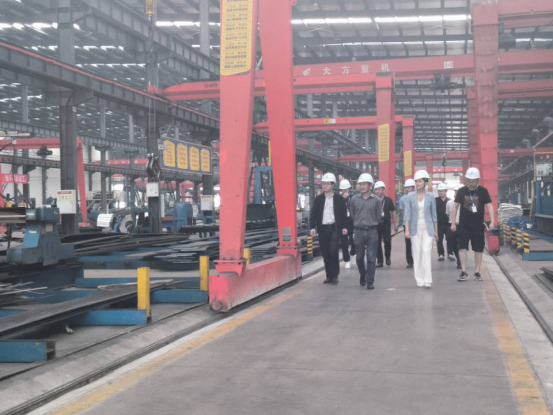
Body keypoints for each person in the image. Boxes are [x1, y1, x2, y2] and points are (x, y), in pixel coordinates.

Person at [450, 168, 495, 282]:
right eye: (469, 181)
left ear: (478, 180)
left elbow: (490, 206)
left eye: (474, 181)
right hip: (464, 225)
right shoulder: (461, 191)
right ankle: (464, 272)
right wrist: (453, 222)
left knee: (478, 249)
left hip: (478, 225)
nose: (471, 183)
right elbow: (455, 207)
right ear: (466, 180)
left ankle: (477, 272)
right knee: (462, 247)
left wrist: (492, 221)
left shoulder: (483, 191)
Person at [310, 173, 348, 285]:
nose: (324, 185)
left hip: (334, 229)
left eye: (327, 183)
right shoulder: (319, 199)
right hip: (323, 229)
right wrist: (312, 226)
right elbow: (314, 213)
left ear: (333, 185)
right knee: (325, 252)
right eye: (323, 183)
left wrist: (344, 226)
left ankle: (335, 275)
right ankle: (329, 275)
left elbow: (344, 214)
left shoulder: (339, 199)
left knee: (333, 251)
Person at [404, 170, 438, 288]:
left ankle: (428, 279)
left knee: (426, 251)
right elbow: (407, 214)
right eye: (416, 181)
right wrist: (407, 230)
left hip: (428, 228)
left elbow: (434, 215)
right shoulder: (410, 196)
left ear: (425, 182)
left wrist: (436, 231)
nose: (417, 183)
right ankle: (419, 278)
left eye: (420, 181)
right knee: (417, 253)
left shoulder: (431, 196)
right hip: (415, 229)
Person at [350, 173, 381, 290]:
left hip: (372, 231)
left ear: (370, 185)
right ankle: (363, 275)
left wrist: (370, 223)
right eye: (360, 184)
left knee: (371, 258)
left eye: (364, 184)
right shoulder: (354, 200)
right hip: (358, 232)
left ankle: (370, 281)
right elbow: (352, 215)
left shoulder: (377, 200)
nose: (362, 186)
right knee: (359, 258)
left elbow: (378, 216)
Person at [373, 181, 397, 267]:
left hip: (386, 223)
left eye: (379, 189)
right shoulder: (373, 200)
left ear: (383, 190)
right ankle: (380, 261)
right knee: (377, 242)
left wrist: (395, 224)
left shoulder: (388, 200)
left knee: (387, 241)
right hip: (376, 224)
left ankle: (387, 257)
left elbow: (393, 212)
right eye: (376, 189)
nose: (377, 191)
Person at [398, 179, 415, 268]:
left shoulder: (418, 197)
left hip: (416, 223)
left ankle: (418, 260)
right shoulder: (403, 199)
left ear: (413, 187)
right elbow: (403, 211)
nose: (407, 189)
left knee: (417, 243)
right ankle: (410, 261)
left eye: (409, 187)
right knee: (408, 243)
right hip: (407, 224)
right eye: (406, 187)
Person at [339, 179, 355, 268]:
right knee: (344, 243)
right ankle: (347, 260)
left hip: (352, 222)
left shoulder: (353, 198)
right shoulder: (338, 199)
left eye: (346, 189)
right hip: (343, 223)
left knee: (354, 241)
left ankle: (353, 252)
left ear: (349, 189)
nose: (345, 191)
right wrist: (343, 199)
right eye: (343, 189)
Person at [446, 184, 462, 269]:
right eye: (456, 191)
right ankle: (458, 259)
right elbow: (448, 214)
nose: (457, 193)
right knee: (454, 244)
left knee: (461, 244)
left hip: (463, 226)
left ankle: (460, 261)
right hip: (453, 225)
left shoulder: (469, 202)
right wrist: (452, 223)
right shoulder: (449, 203)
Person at [435, 182, 450, 261]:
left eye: (442, 191)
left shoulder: (450, 201)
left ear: (446, 191)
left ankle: (449, 253)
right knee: (439, 239)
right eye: (439, 191)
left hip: (448, 224)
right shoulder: (435, 201)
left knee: (449, 238)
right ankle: (441, 254)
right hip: (438, 224)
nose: (440, 192)